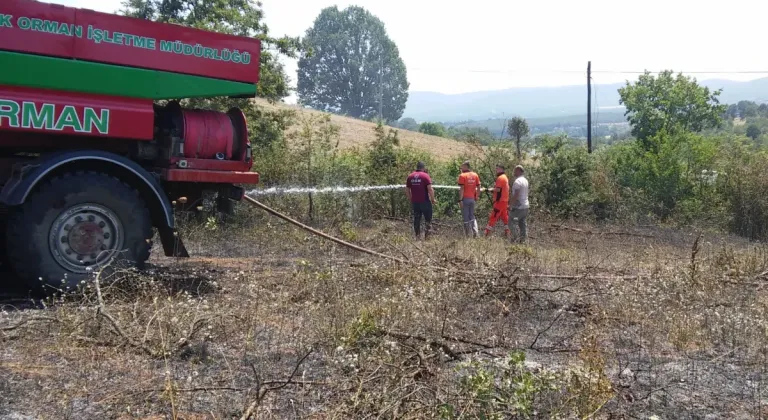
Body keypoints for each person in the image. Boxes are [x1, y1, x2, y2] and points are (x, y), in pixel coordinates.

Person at [405, 161, 437, 239]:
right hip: (425, 201)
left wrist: (410, 198)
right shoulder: (425, 176)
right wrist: (433, 199)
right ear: (423, 168)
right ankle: (427, 237)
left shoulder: (410, 176)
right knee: (428, 219)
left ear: (417, 167)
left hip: (415, 202)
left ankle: (417, 236)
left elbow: (406, 189)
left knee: (417, 219)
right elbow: (430, 189)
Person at [484, 164, 510, 237]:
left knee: (493, 217)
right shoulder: (505, 178)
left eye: (497, 169)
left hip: (500, 202)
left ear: (502, 169)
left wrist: (488, 189)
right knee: (505, 218)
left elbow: (498, 189)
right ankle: (508, 232)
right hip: (504, 201)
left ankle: (487, 233)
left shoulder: (500, 178)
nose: (496, 170)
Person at [457, 160, 481, 237]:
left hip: (465, 199)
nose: (461, 167)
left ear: (466, 166)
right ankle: (475, 233)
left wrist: (460, 200)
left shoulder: (462, 176)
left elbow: (462, 188)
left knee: (465, 217)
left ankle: (467, 235)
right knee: (472, 216)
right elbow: (479, 186)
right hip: (472, 199)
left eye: (462, 166)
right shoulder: (475, 175)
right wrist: (477, 196)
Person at [509, 165, 530, 243]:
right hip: (525, 206)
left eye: (515, 170)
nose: (514, 172)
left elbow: (516, 195)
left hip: (518, 207)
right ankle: (523, 241)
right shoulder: (525, 180)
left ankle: (515, 240)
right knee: (522, 223)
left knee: (512, 222)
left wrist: (510, 205)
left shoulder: (517, 181)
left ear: (518, 170)